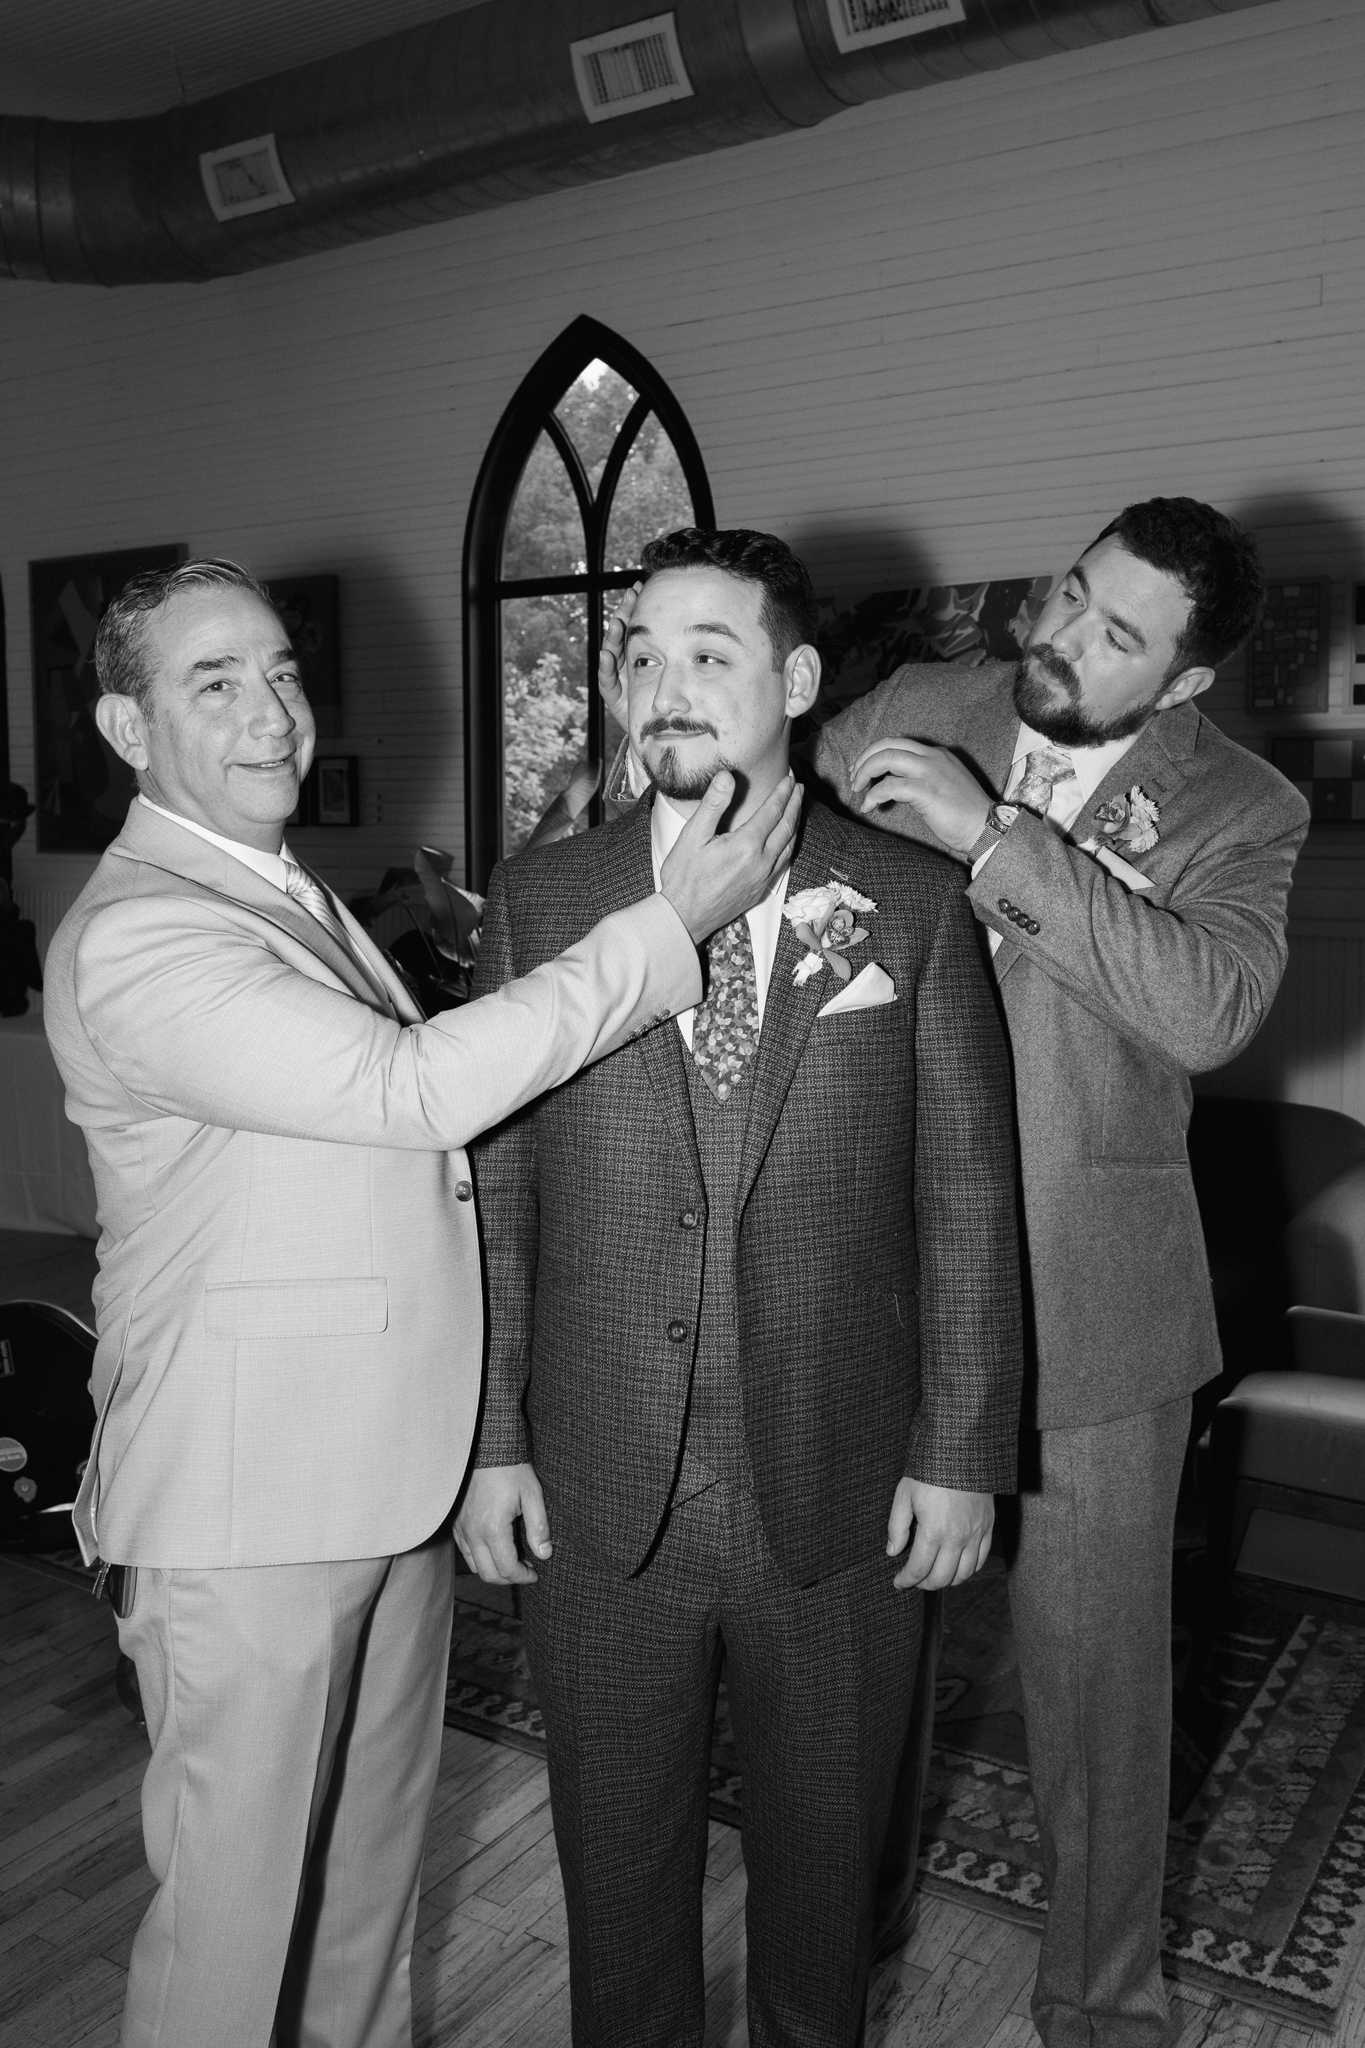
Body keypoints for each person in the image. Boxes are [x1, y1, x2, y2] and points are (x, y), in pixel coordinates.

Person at [42, 556, 800, 2048]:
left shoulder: (275, 885)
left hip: (371, 1476)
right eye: (214, 683)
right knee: (233, 1936)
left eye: (279, 672)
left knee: (358, 1910)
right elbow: (406, 1094)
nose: (271, 714)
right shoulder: (138, 930)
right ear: (128, 732)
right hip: (242, 1511)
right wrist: (666, 924)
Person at [456, 527, 1023, 2047]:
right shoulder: (543, 893)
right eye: (640, 653)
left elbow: (966, 1196)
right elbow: (497, 1191)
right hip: (596, 1482)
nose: (663, 686)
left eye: (709, 654)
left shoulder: (907, 900)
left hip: (835, 1491)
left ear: (795, 678)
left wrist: (959, 1456)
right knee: (614, 1876)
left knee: (825, 1881)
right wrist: (492, 1435)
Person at [804, 498, 1311, 2048]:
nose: (1064, 640)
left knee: (1095, 1698)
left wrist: (993, 842)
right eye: (1070, 595)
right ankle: (840, 1950)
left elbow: (1208, 1008)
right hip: (875, 1275)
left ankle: (1100, 2009)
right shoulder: (911, 710)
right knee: (855, 1665)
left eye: (1115, 638)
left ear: (1180, 686)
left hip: (1095, 1306)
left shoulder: (1245, 810)